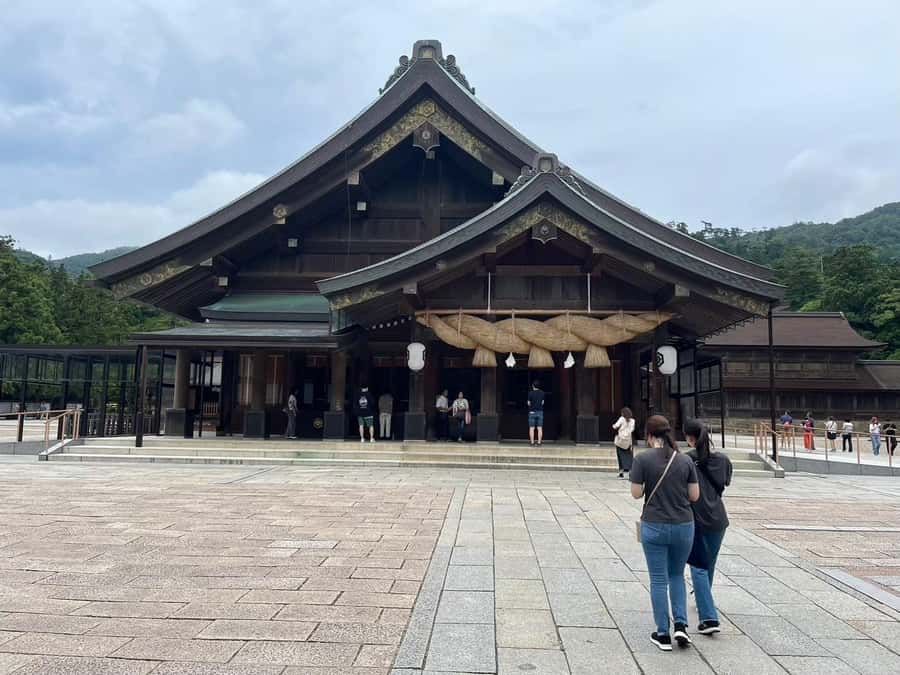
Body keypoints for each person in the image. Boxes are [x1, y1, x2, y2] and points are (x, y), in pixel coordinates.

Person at [630, 415, 699, 652]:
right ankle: (681, 625)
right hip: (683, 525)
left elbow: (636, 493)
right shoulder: (685, 461)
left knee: (658, 579)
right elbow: (694, 496)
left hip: (655, 525)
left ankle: (662, 633)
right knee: (677, 575)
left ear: (649, 435)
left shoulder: (642, 459)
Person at [684, 418, 733, 637]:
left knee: (698, 566)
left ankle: (708, 616)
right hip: (719, 518)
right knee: (709, 562)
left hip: (697, 518)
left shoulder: (686, 461)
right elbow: (724, 483)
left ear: (690, 438)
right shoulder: (723, 460)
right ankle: (705, 598)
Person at [612, 407, 636, 479]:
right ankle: (631, 473)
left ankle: (621, 473)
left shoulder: (622, 419)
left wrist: (614, 426)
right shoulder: (632, 421)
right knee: (629, 457)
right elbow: (632, 429)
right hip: (628, 441)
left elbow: (616, 426)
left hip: (621, 440)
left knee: (620, 456)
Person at [527, 381, 545, 447]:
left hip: (532, 412)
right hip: (540, 412)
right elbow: (542, 403)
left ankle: (532, 442)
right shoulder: (542, 393)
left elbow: (528, 403)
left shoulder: (530, 393)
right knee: (539, 428)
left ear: (533, 386)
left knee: (531, 428)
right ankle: (539, 442)